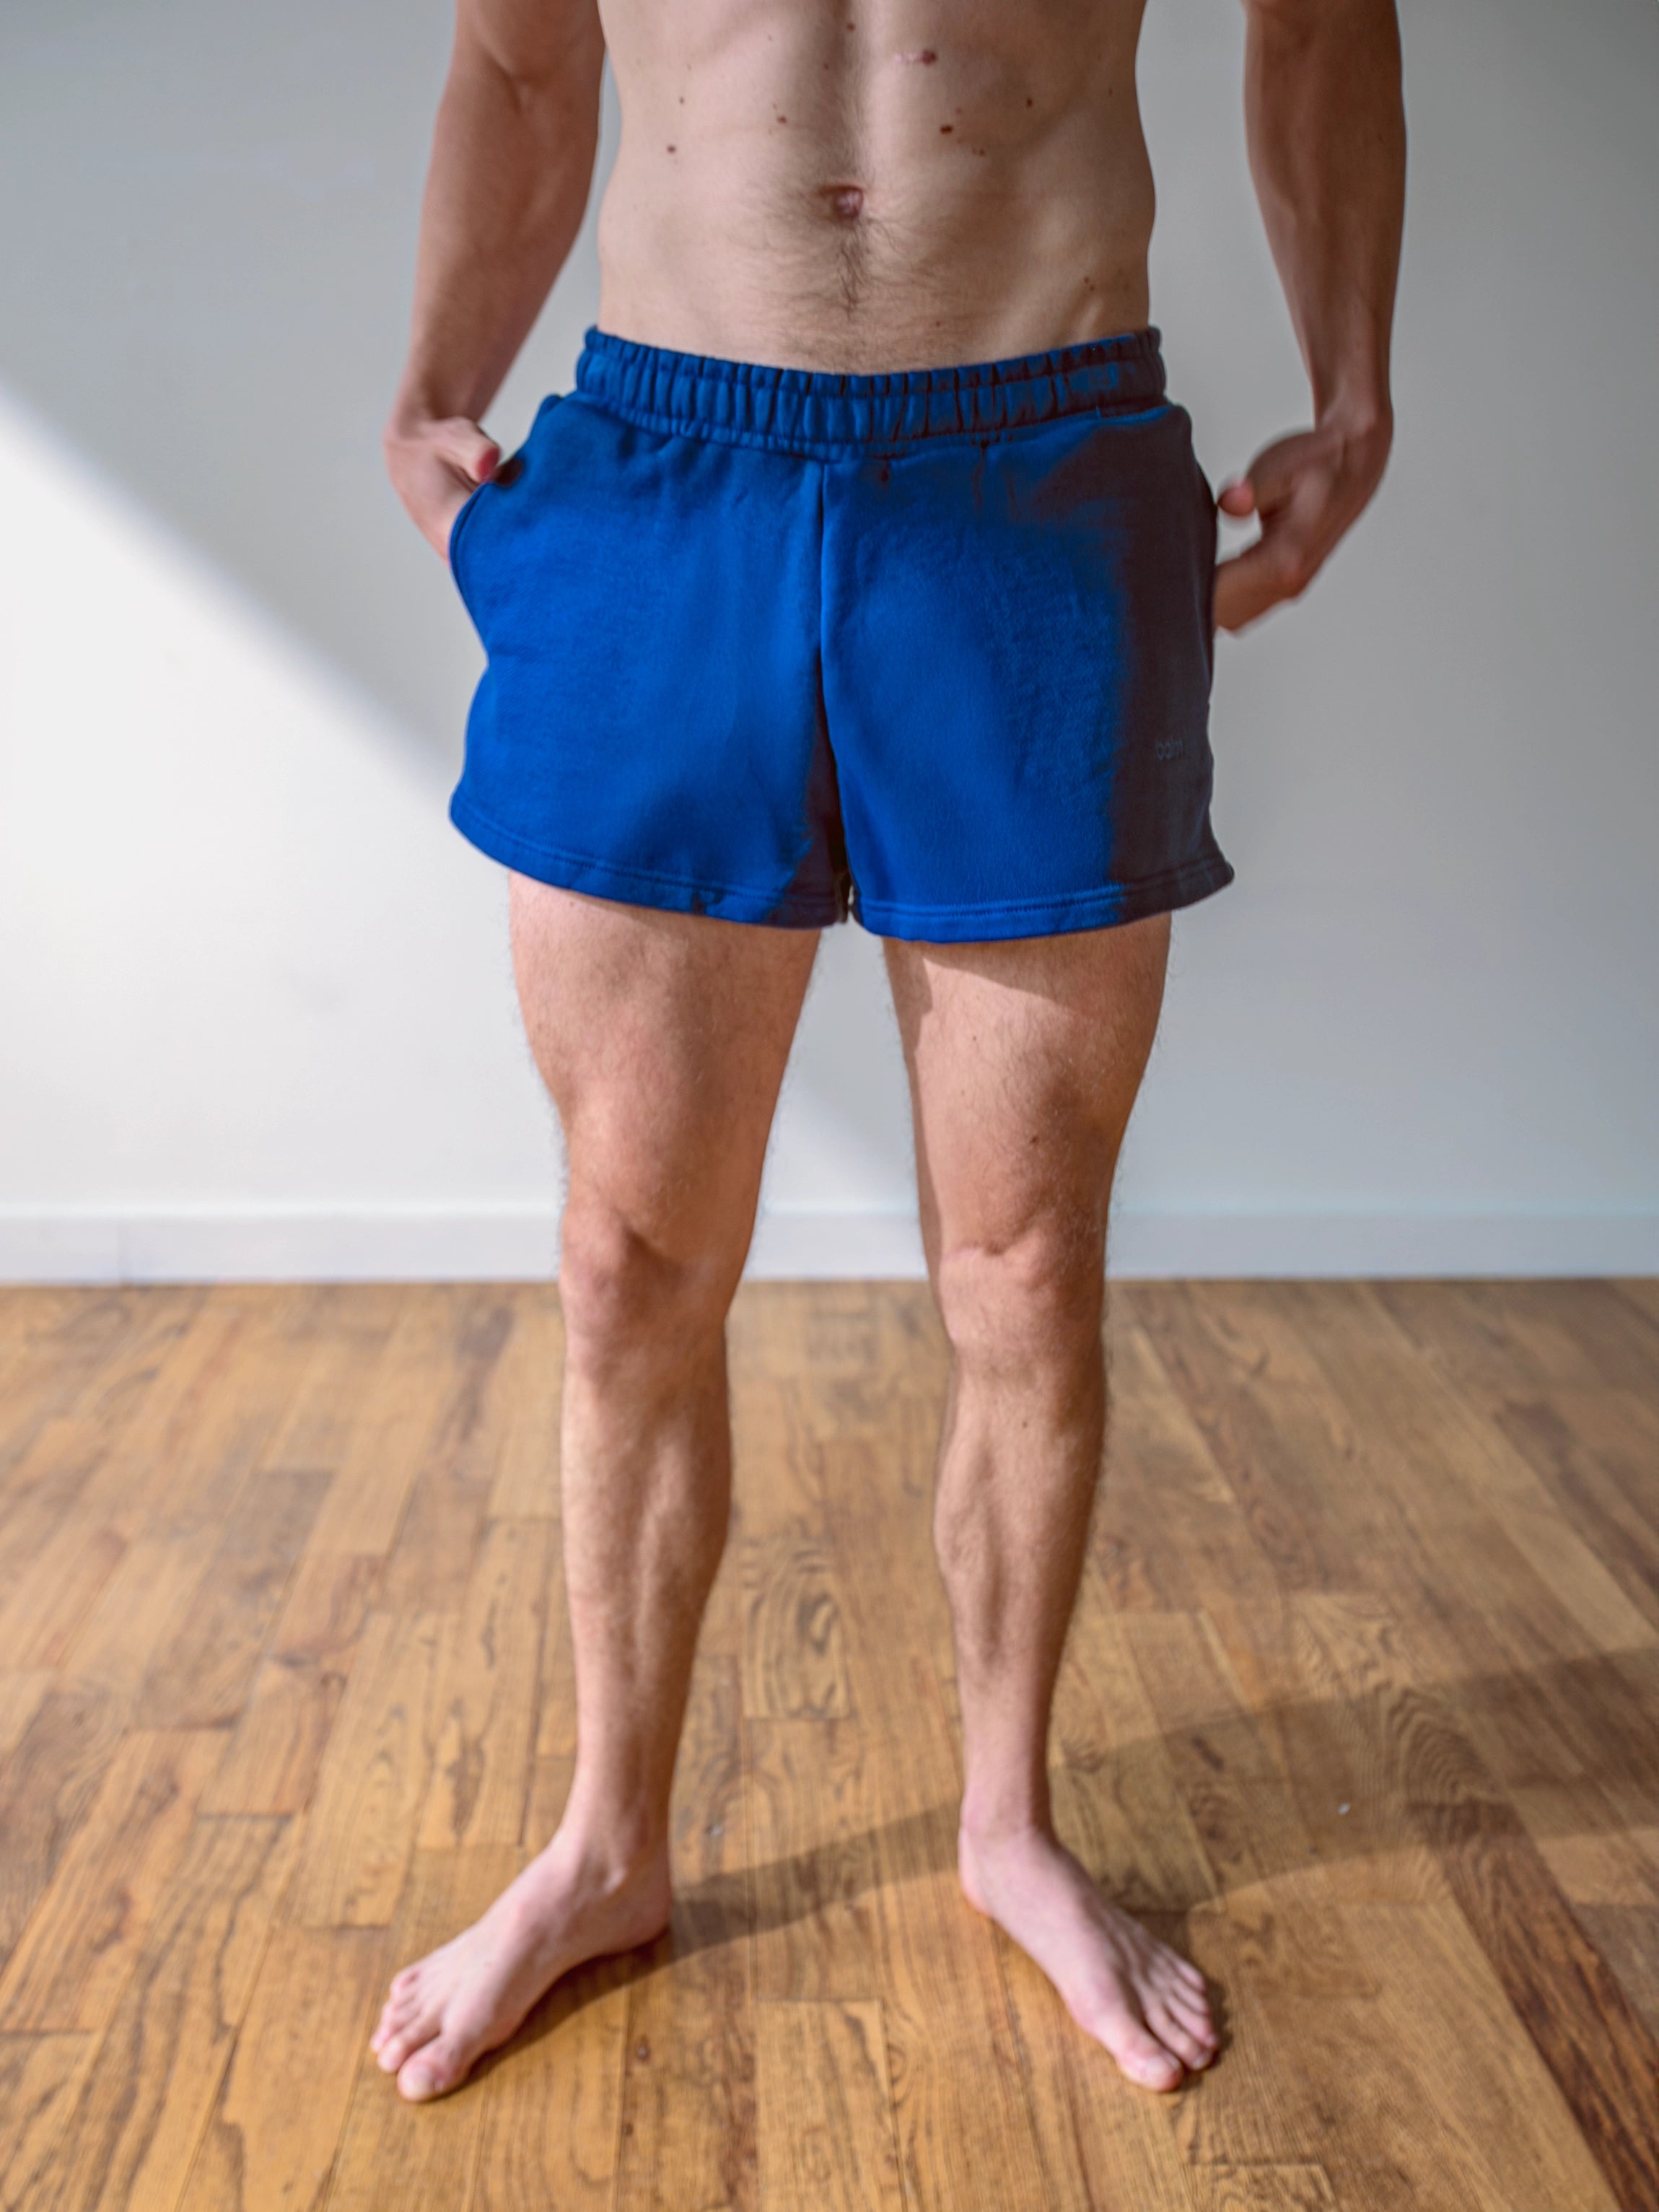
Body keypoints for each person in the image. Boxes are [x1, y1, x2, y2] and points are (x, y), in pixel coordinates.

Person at [372, 0, 1404, 2104]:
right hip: (669, 467)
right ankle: (605, 1842)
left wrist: (1352, 387)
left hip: (1033, 463)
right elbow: (514, 57)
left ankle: (1007, 1821)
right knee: (626, 1260)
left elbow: (1317, 14)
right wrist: (430, 388)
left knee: (1021, 1268)